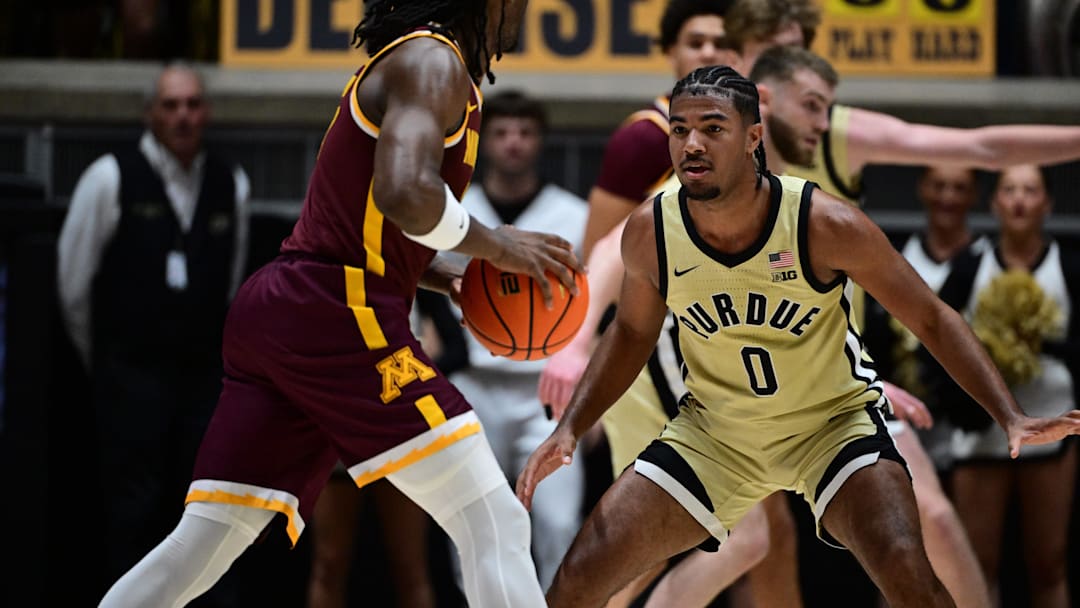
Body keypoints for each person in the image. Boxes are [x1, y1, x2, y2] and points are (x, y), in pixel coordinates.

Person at [517, 64, 1080, 608]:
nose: (692, 144)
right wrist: (570, 427)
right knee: (581, 573)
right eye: (681, 129)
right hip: (716, 434)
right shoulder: (650, 230)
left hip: (831, 426)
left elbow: (931, 317)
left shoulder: (821, 223)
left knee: (906, 567)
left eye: (713, 129)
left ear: (753, 138)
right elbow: (633, 332)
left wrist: (1009, 414)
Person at [98, 1, 585, 607]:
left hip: (292, 306)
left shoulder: (418, 59)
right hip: (338, 310)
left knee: (204, 540)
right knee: (492, 515)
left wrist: (447, 273)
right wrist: (497, 243)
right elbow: (406, 193)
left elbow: (370, 221)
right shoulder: (434, 61)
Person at [57, 62, 250, 603]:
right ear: (150, 113)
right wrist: (110, 364)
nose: (183, 116)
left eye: (192, 104)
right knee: (132, 514)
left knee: (206, 512)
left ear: (205, 111)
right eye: (171, 106)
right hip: (130, 376)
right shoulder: (110, 175)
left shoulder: (228, 181)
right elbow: (73, 286)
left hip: (202, 382)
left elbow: (232, 283)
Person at [418, 90, 589, 592]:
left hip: (549, 389)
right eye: (502, 132)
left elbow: (601, 313)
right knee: (473, 526)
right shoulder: (453, 215)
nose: (514, 143)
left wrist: (592, 400)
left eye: (525, 132)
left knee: (557, 524)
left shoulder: (574, 216)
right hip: (471, 384)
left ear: (541, 141)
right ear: (483, 140)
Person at [935, 164, 1079, 607]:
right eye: (1009, 189)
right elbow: (936, 340)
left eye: (1030, 190)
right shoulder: (969, 266)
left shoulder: (1070, 266)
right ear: (995, 202)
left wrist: (1043, 343)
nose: (1019, 199)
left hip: (1055, 430)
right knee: (977, 565)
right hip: (982, 432)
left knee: (1049, 564)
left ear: (1047, 204)